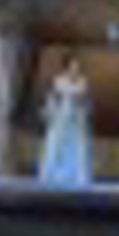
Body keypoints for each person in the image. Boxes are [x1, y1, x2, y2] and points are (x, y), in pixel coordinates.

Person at [38, 52, 94, 187]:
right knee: (55, 147)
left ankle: (76, 178)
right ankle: (50, 177)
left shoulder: (82, 82)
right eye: (72, 67)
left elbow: (85, 102)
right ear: (66, 67)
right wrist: (50, 111)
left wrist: (82, 106)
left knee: (77, 149)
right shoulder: (58, 81)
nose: (75, 70)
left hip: (75, 121)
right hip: (60, 120)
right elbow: (52, 99)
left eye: (77, 67)